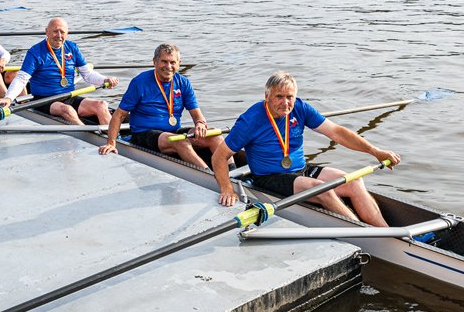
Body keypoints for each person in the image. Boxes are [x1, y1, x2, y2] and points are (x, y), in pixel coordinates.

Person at [211, 71, 400, 226]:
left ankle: (386, 231)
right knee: (322, 189)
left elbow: (337, 133)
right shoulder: (250, 120)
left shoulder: (300, 108)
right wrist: (227, 188)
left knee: (355, 182)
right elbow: (220, 156)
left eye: (289, 97)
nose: (285, 103)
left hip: (299, 169)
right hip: (268, 177)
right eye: (279, 97)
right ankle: (365, 234)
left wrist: (375, 151)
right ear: (267, 96)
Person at [98, 43, 224, 168]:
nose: (168, 67)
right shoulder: (140, 82)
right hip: (143, 134)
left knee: (215, 136)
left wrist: (200, 124)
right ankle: (213, 178)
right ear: (155, 62)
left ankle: (230, 173)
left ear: (179, 63)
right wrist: (111, 143)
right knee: (180, 141)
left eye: (172, 62)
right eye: (164, 62)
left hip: (172, 132)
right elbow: (119, 115)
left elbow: (197, 115)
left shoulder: (183, 83)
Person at [0, 17, 117, 124]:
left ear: (67, 33)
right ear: (46, 32)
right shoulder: (35, 52)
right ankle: (89, 136)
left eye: (62, 32)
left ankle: (113, 140)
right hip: (44, 100)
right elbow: (21, 79)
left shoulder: (72, 48)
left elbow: (87, 74)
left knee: (101, 105)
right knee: (67, 110)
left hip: (68, 95)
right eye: (55, 31)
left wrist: (104, 79)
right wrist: (8, 98)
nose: (59, 36)